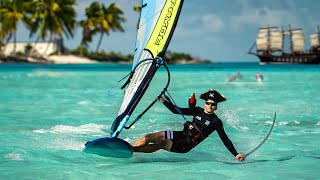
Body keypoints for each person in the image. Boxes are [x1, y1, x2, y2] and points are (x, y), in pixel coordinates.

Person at [131, 89, 245, 161]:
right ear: (205, 104)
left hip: (186, 144)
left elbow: (225, 139)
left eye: (212, 104)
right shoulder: (197, 111)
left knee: (160, 143)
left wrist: (235, 154)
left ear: (216, 107)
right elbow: (177, 111)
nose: (209, 106)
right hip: (181, 135)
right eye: (208, 103)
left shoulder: (216, 122)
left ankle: (133, 150)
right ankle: (127, 147)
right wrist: (163, 101)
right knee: (150, 136)